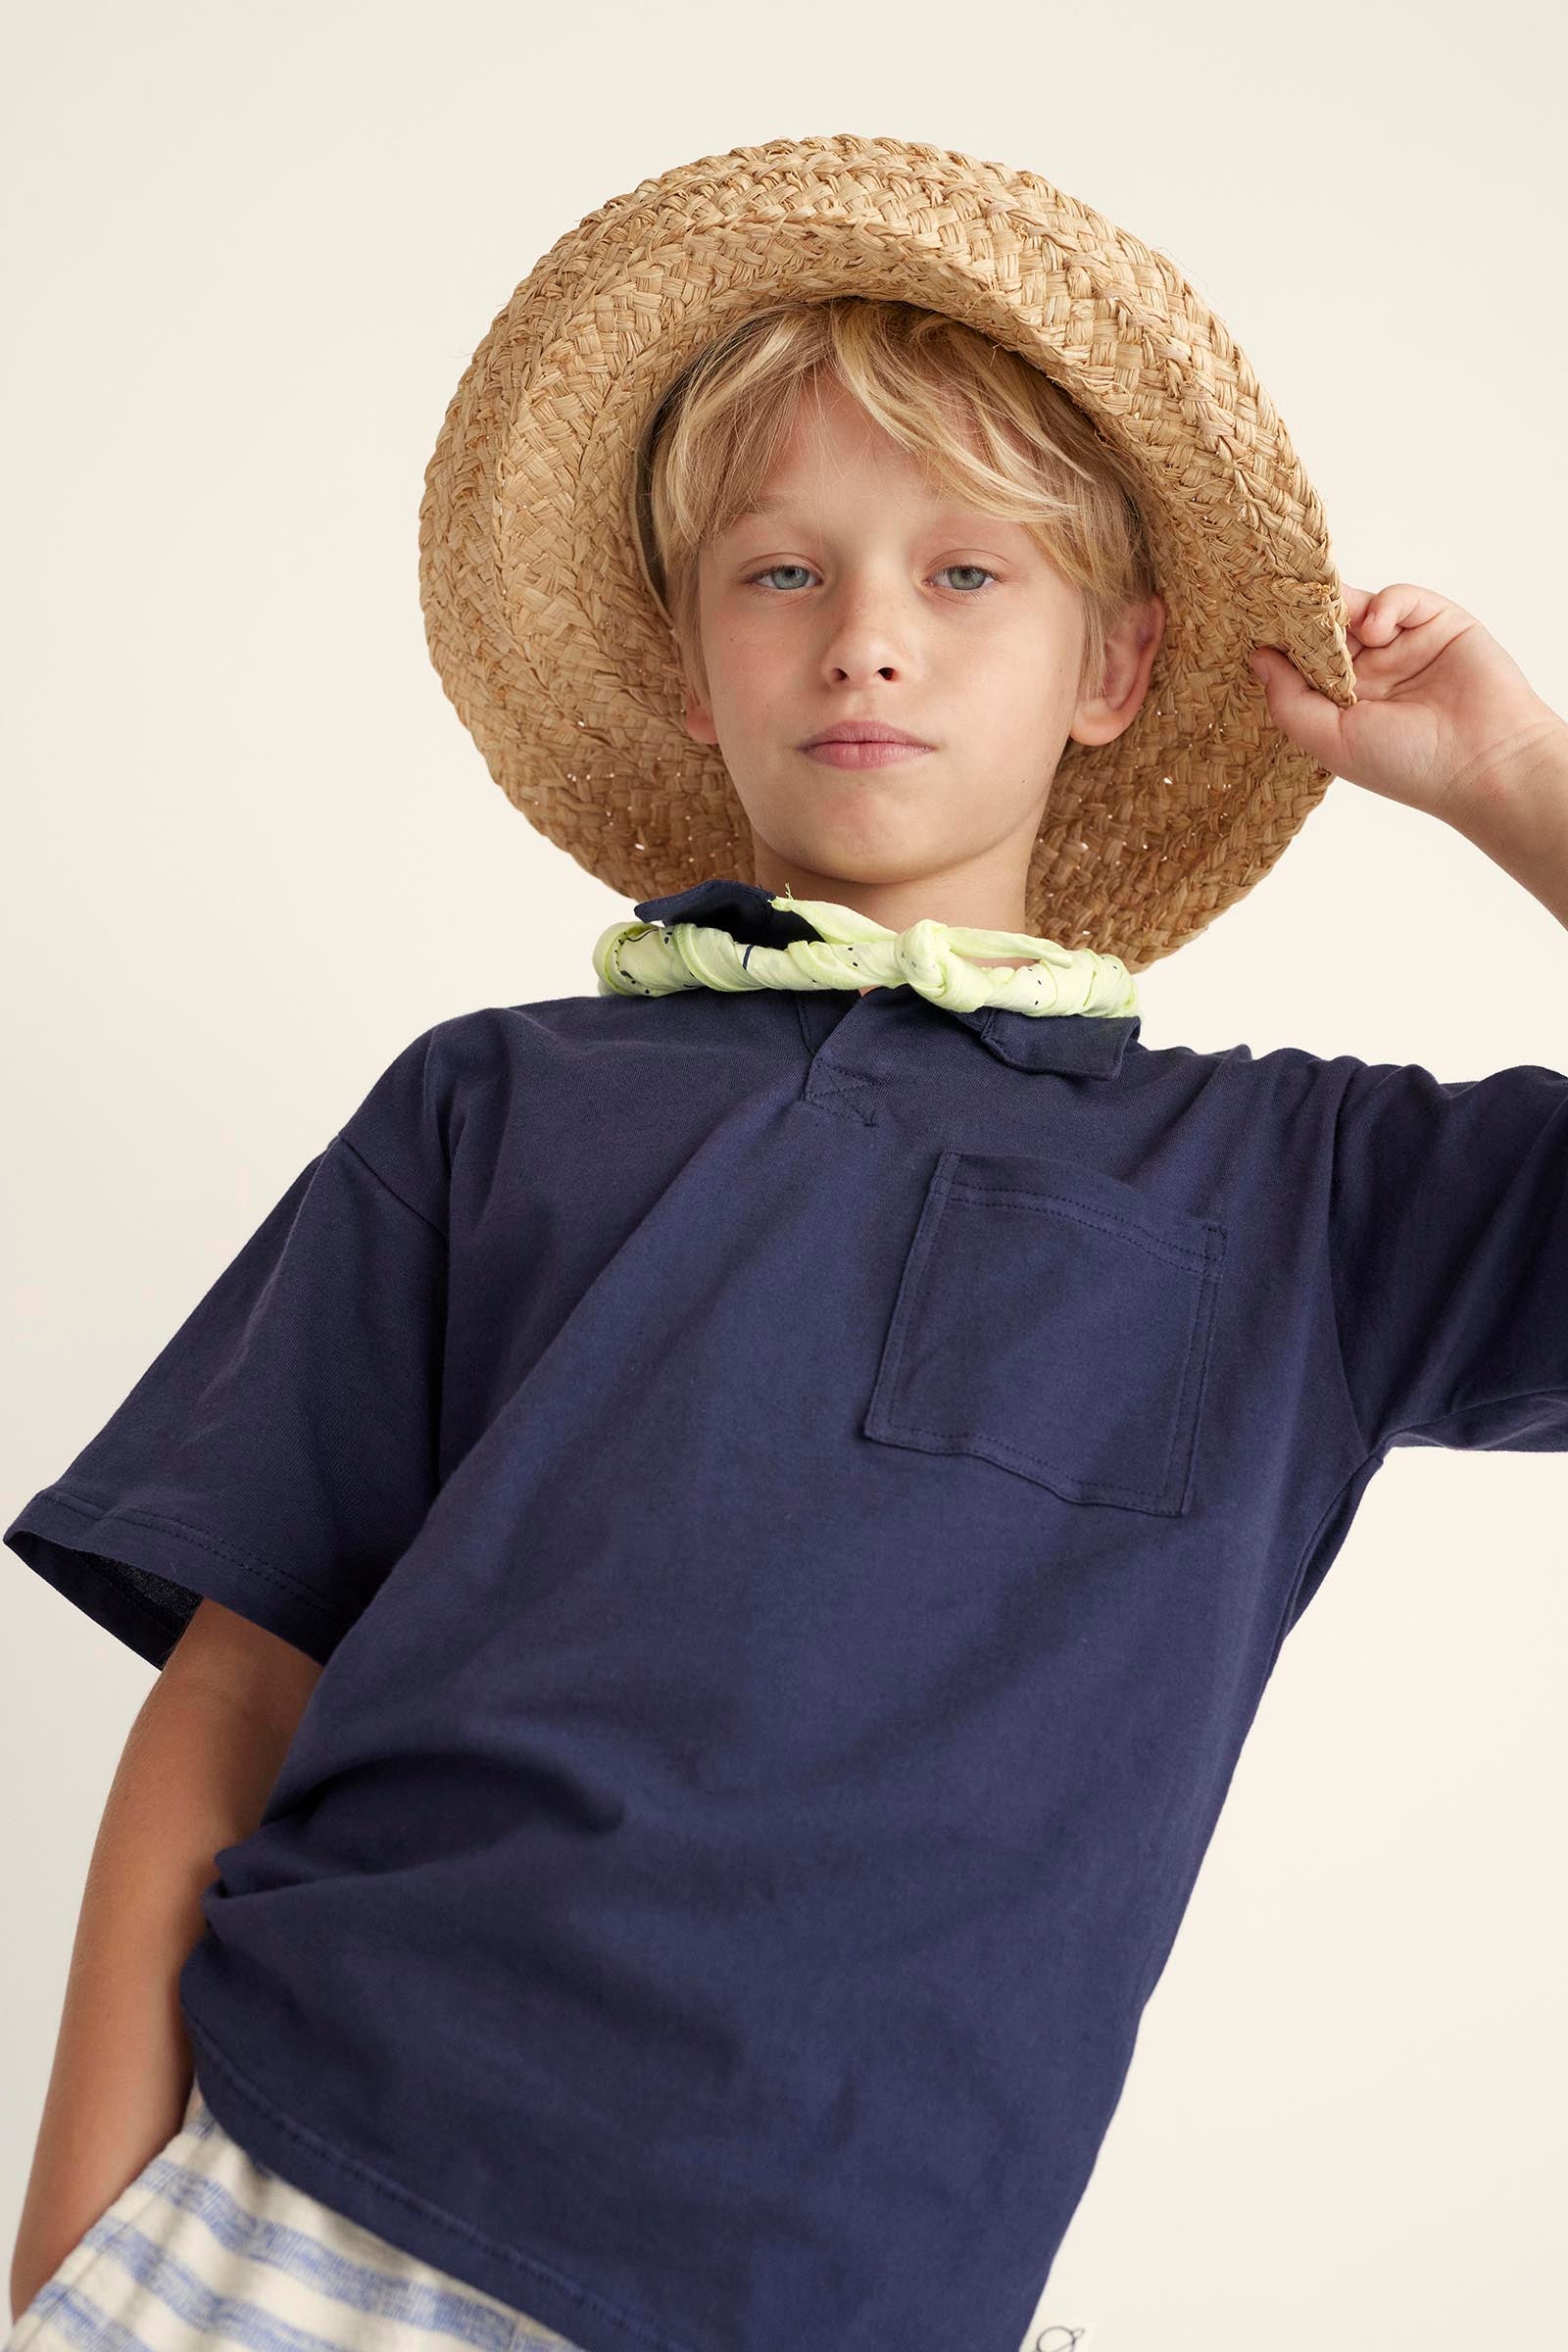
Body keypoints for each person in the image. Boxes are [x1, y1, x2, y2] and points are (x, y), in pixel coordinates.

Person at [6, 131, 1567, 2352]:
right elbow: (238, 1685)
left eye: (965, 572)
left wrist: (1515, 774)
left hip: (848, 2294)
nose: (865, 638)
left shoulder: (1303, 1195)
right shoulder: (495, 1101)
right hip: (292, 2203)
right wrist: (72, 2252)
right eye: (780, 572)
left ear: (1114, 665)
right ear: (689, 659)